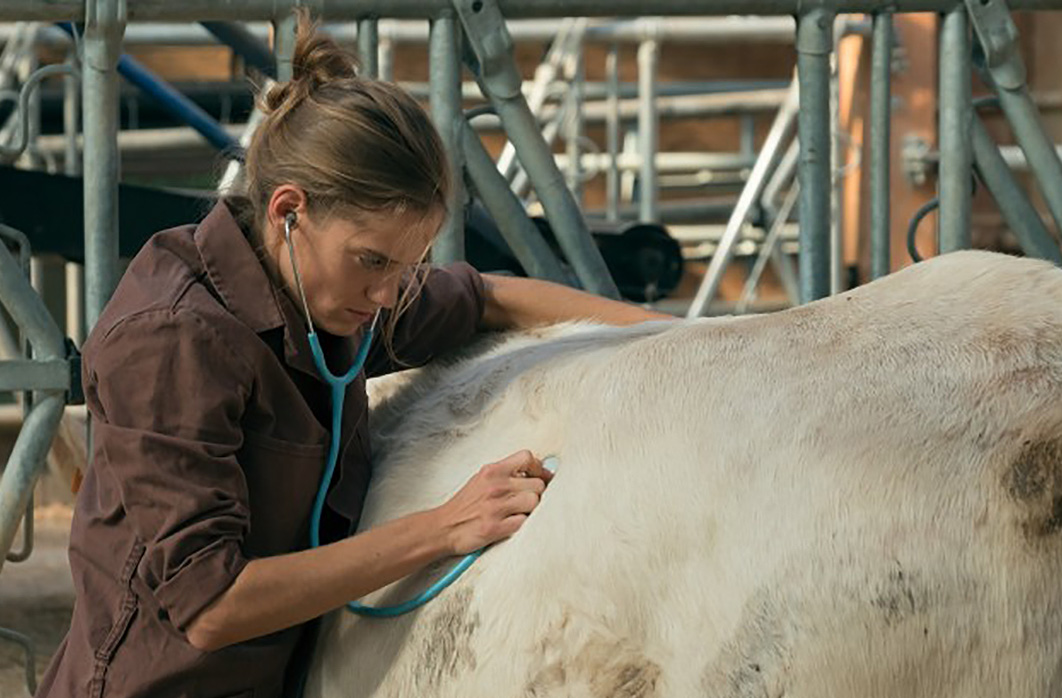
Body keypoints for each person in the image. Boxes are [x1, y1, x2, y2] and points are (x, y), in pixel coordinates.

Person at [37, 14, 668, 698]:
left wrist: (683, 335)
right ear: (287, 210)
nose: (389, 293)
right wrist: (444, 526)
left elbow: (490, 296)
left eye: (408, 265)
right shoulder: (172, 339)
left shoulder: (332, 292)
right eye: (372, 260)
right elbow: (211, 605)